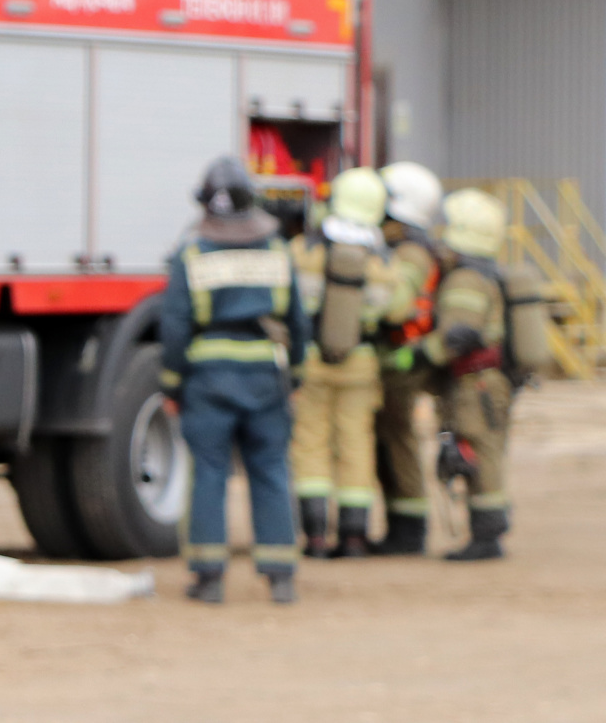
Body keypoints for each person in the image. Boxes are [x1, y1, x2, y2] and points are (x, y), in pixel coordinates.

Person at [160, 156, 308, 605]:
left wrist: (171, 384)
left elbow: (175, 326)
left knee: (209, 474)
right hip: (265, 379)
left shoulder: (191, 254)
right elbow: (299, 321)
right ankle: (280, 576)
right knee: (271, 472)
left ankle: (209, 579)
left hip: (208, 382)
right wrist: (296, 373)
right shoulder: (278, 251)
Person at [286, 168, 389, 559]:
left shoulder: (305, 250)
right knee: (355, 447)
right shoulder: (379, 260)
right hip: (360, 365)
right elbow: (394, 310)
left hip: (312, 362)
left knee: (310, 444)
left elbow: (288, 302)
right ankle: (354, 537)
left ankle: (314, 536)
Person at [419, 189, 515, 562]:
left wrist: (413, 358)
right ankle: (488, 530)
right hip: (485, 381)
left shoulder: (465, 280)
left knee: (480, 452)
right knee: (484, 450)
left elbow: (457, 335)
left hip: (476, 384)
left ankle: (487, 537)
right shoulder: (484, 272)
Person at [369, 161, 445, 556]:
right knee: (388, 439)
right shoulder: (404, 245)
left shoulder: (411, 251)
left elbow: (397, 305)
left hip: (404, 358)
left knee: (398, 439)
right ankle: (400, 525)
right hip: (396, 354)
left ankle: (410, 530)